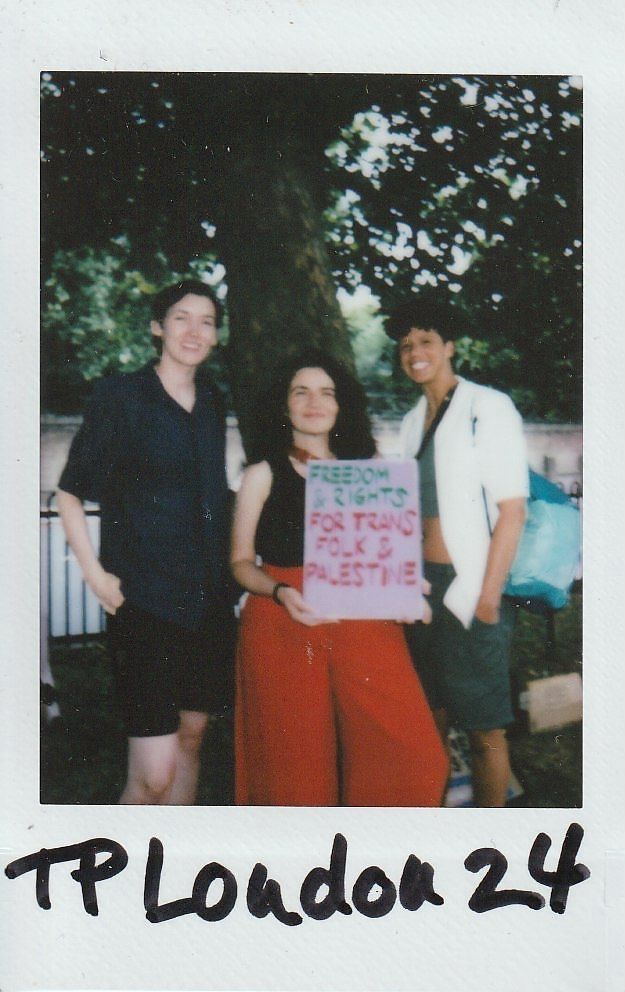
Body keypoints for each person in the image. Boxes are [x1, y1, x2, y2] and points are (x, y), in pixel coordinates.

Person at [230, 350, 449, 807]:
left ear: (342, 404)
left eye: (327, 392)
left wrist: (408, 586)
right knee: (296, 775)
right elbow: (240, 563)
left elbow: (390, 552)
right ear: (283, 404)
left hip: (362, 616)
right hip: (284, 621)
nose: (315, 402)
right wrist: (280, 590)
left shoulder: (369, 470)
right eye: (301, 392)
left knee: (414, 757)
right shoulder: (261, 474)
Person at [57, 280, 232, 805]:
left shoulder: (212, 404)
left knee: (192, 742)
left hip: (210, 605)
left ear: (216, 335)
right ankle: (120, 876)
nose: (194, 331)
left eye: (206, 321)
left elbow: (211, 493)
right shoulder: (122, 396)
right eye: (181, 318)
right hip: (145, 603)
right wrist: (95, 575)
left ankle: (173, 875)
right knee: (153, 773)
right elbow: (69, 494)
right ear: (158, 327)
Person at [385, 296, 528, 807]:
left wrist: (488, 600)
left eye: (425, 340)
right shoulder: (407, 423)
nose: (414, 352)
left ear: (449, 347)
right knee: (431, 721)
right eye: (405, 345)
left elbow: (513, 510)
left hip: (470, 588)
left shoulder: (487, 407)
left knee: (485, 730)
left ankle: (490, 841)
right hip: (421, 591)